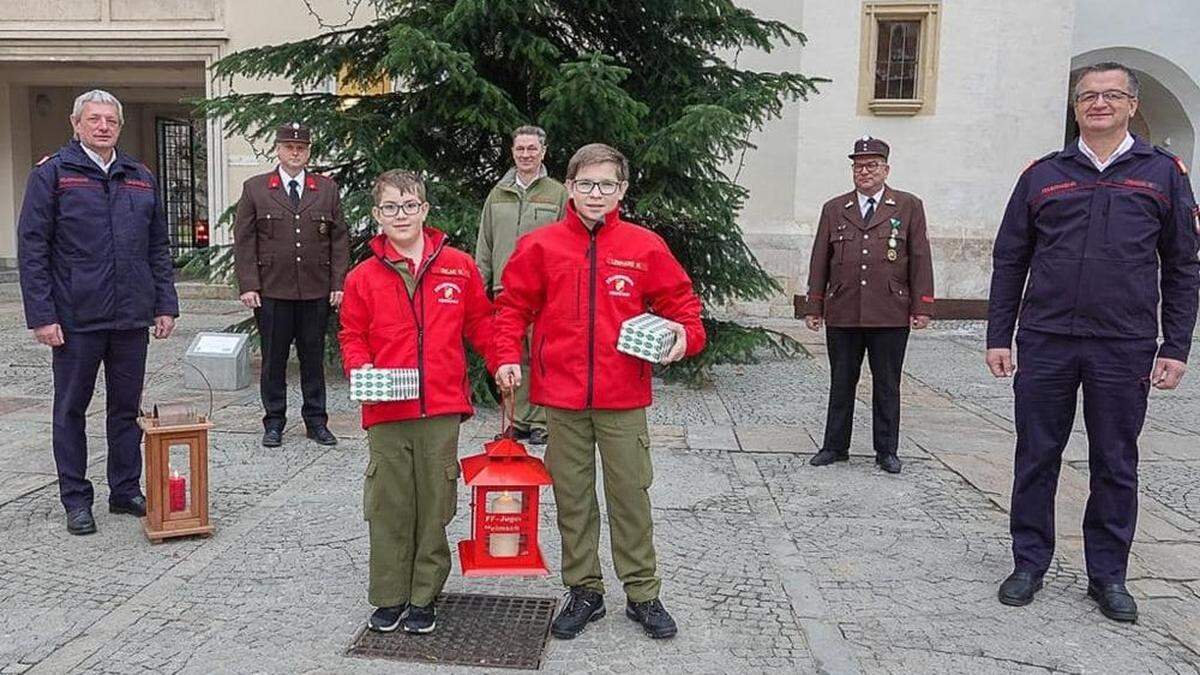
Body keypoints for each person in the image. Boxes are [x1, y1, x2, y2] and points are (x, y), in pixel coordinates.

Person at [987, 62, 1200, 623]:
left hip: (1123, 344)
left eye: (1111, 95)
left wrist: (1176, 345)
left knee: (1115, 462)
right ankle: (1029, 562)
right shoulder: (1042, 174)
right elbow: (1011, 259)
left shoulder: (1163, 174)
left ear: (1132, 104)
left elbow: (1183, 265)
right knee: (1036, 456)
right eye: (1088, 96)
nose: (1098, 103)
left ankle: (1108, 576)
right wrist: (998, 335)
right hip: (1047, 339)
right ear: (1076, 107)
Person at [492, 143, 706, 640]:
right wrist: (505, 356)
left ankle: (642, 593)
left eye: (607, 185)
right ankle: (584, 589)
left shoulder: (643, 246)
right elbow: (512, 308)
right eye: (586, 184)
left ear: (622, 191)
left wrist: (683, 337)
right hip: (561, 400)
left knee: (630, 495)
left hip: (622, 397)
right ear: (569, 187)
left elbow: (682, 305)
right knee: (573, 498)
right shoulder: (541, 246)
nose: (596, 193)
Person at [17, 89, 179, 535]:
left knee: (126, 409)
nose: (103, 126)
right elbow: (32, 249)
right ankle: (75, 498)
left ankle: (125, 490)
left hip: (130, 315)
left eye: (111, 120)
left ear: (119, 127)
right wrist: (42, 315)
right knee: (71, 409)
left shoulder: (141, 176)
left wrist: (165, 303)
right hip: (75, 317)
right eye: (94, 119)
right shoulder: (53, 175)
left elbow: (157, 246)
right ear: (76, 124)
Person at [338, 170, 493, 635]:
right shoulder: (363, 276)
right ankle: (389, 596)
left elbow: (481, 324)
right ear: (376, 215)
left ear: (424, 210)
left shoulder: (458, 266)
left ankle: (425, 595)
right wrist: (359, 367)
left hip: (441, 409)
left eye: (409, 206)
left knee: (435, 504)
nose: (400, 215)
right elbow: (351, 334)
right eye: (390, 207)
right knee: (389, 504)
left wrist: (505, 360)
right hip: (386, 410)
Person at [804, 136, 935, 474]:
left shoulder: (907, 206)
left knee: (887, 383)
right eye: (858, 166)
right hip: (844, 309)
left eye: (872, 165)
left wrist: (922, 306)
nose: (864, 172)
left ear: (886, 169)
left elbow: (919, 257)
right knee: (841, 380)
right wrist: (815, 305)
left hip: (889, 310)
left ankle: (886, 450)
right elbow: (821, 258)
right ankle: (835, 446)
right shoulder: (835, 208)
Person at [233, 123, 349, 448]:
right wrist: (248, 285)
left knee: (314, 359)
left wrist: (338, 282)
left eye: (301, 147)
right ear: (278, 150)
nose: (295, 152)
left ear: (309, 151)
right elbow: (244, 241)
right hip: (271, 291)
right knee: (274, 360)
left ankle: (316, 422)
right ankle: (274, 423)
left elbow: (339, 240)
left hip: (315, 290)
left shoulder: (325, 189)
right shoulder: (256, 188)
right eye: (289, 147)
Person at [475, 125, 568, 445]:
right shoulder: (497, 194)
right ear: (512, 152)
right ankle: (517, 420)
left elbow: (567, 243)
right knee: (511, 357)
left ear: (543, 151)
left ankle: (542, 421)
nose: (526, 154)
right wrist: (479, 284)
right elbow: (484, 243)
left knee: (542, 357)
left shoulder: (558, 193)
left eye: (532, 149)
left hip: (544, 293)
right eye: (520, 149)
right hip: (505, 290)